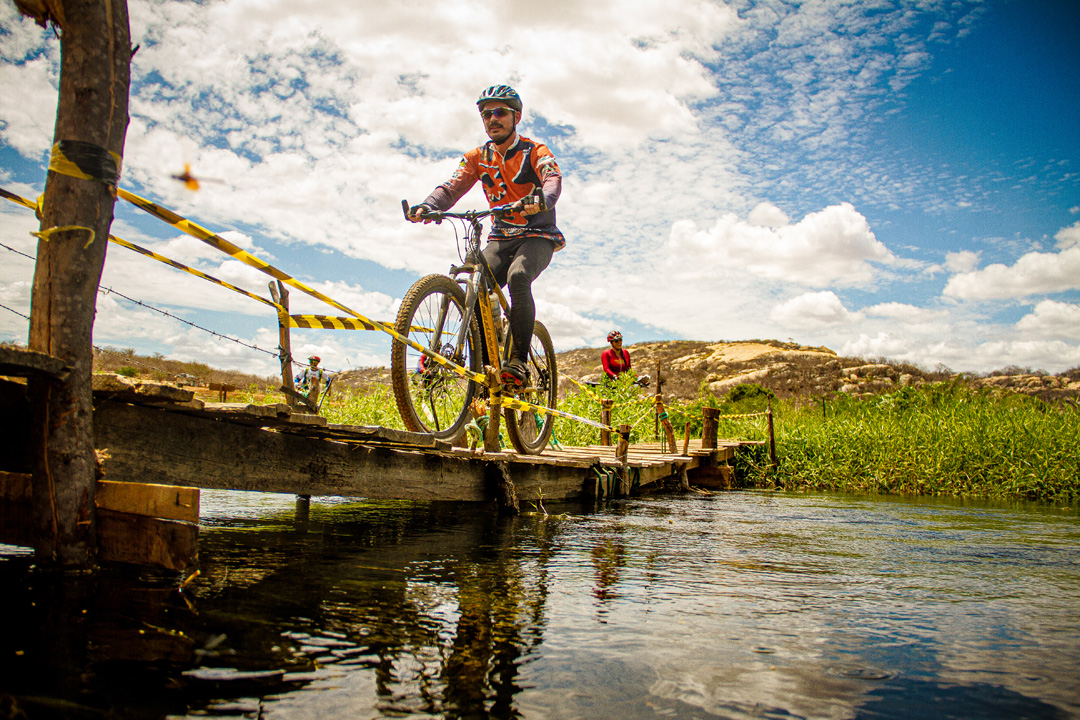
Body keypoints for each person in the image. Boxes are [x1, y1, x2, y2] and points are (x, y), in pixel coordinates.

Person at [406, 84, 565, 389]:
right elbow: (451, 187)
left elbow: (552, 177)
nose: (493, 118)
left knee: (518, 276)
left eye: (500, 112)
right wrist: (428, 206)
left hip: (537, 235)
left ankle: (518, 361)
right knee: (474, 279)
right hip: (501, 237)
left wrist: (544, 199)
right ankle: (484, 358)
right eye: (486, 114)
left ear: (516, 116)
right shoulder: (477, 157)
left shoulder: (535, 151)